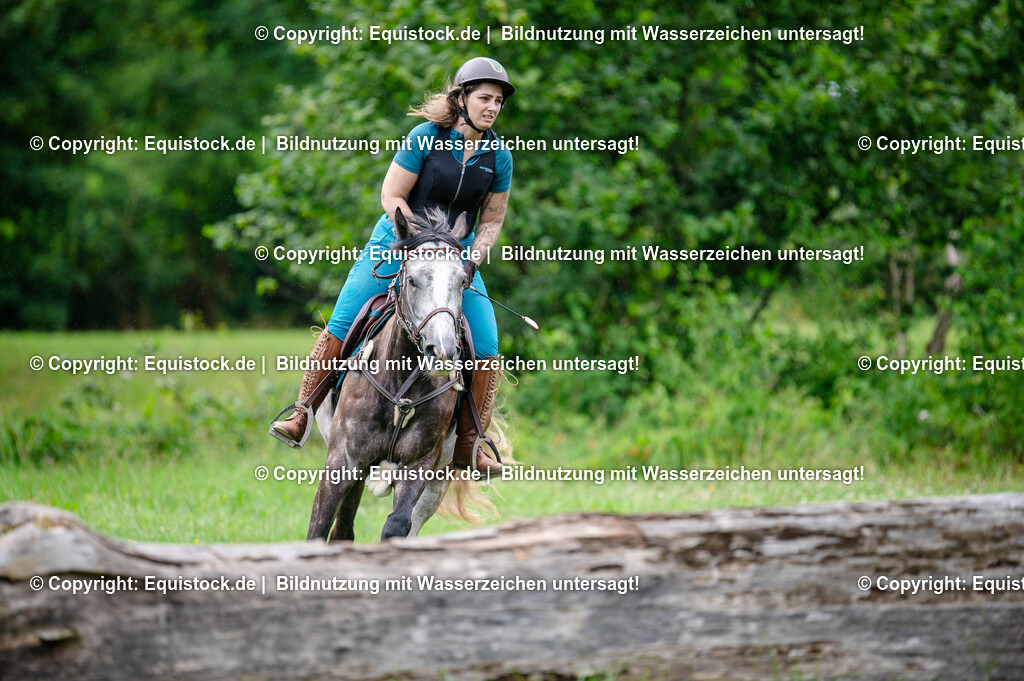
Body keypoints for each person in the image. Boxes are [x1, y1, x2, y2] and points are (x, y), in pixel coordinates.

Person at [271, 57, 514, 475]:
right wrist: (416, 237)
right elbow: (392, 195)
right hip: (397, 244)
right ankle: (302, 413)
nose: (492, 107)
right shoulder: (424, 137)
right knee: (345, 320)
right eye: (485, 98)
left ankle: (472, 445)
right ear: (462, 98)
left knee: (487, 346)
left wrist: (472, 259)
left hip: (456, 260)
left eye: (498, 101)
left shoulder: (500, 157)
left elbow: (491, 220)